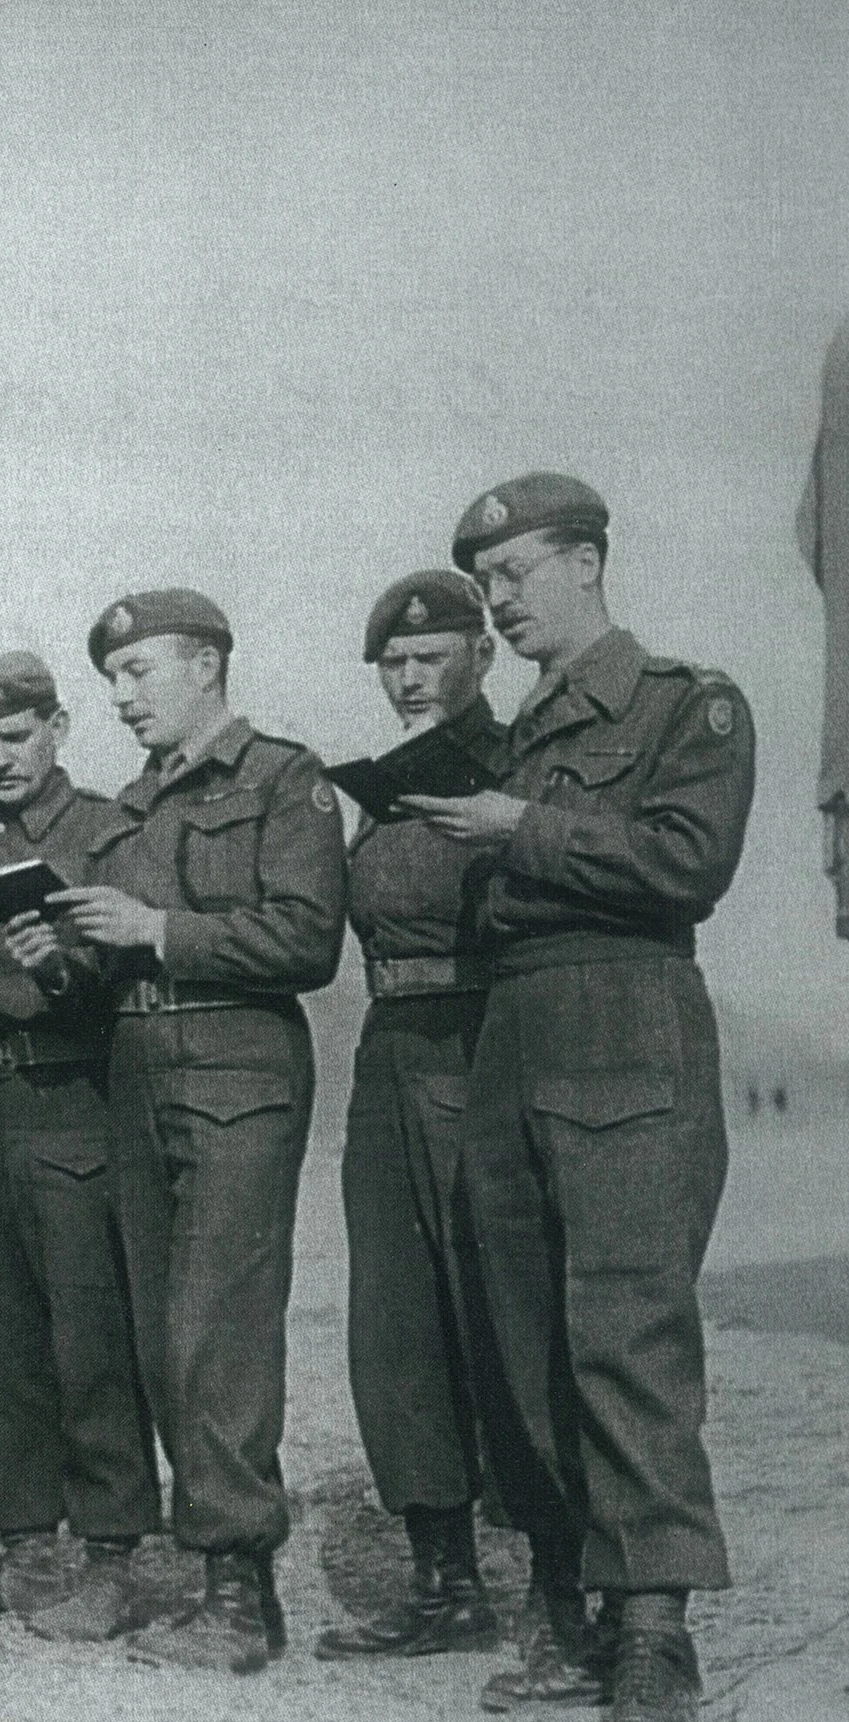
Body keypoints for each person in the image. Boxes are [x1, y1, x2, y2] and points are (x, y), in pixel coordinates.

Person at [417, 474, 753, 1722]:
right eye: (485, 583)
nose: (493, 604)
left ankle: (656, 1644)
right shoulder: (508, 736)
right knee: (524, 1344)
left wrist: (523, 826)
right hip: (512, 1032)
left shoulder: (684, 702)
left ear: (586, 564)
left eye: (512, 577)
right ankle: (576, 1615)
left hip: (627, 1021)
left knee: (624, 1332)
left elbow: (687, 863)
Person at [51, 590, 346, 1674]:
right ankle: (210, 1564)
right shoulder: (128, 807)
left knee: (215, 1328)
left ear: (208, 664)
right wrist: (74, 952)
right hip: (135, 1065)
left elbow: (308, 936)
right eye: (112, 679)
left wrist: (157, 931)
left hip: (237, 1068)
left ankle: (236, 1593)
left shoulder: (282, 778)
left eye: (139, 673)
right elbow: (121, 942)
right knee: (154, 1332)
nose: (120, 698)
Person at [0, 651, 160, 1642]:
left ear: (58, 729)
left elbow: (132, 974)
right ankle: (26, 1541)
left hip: (74, 1091)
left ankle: (110, 1550)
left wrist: (64, 967)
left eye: (13, 737)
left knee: (88, 1331)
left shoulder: (108, 831)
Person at [314, 571, 514, 1664]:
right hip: (392, 1050)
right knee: (395, 1322)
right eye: (391, 663)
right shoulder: (386, 788)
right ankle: (444, 1582)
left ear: (479, 655)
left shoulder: (522, 768)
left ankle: (563, 1584)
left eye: (427, 657)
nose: (405, 679)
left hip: (488, 1044)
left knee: (500, 1308)